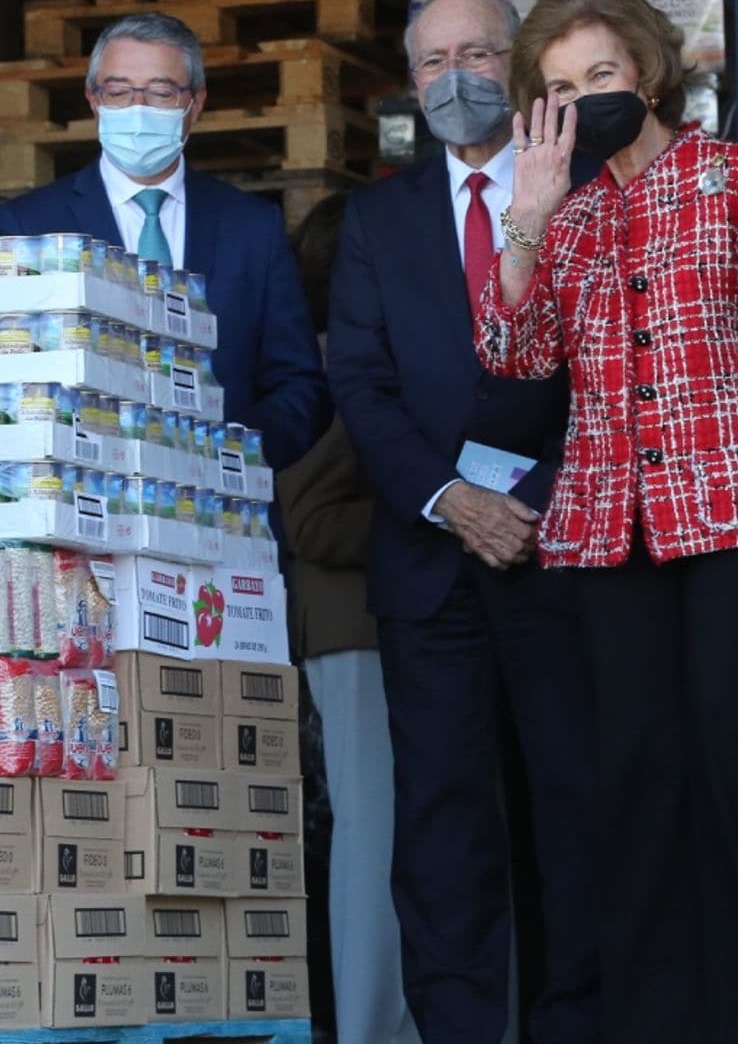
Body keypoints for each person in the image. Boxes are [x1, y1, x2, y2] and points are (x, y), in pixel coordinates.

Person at [476, 0, 738, 1042]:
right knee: (639, 789)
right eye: (560, 86)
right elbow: (513, 357)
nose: (586, 95)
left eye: (600, 73)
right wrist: (528, 217)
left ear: (645, 72)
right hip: (613, 530)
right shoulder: (564, 214)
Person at [325, 0, 598, 1044]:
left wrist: (521, 504)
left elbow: (609, 377)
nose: (454, 79)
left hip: (560, 554)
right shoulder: (376, 219)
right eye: (433, 61)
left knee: (573, 815)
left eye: (478, 54)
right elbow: (360, 383)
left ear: (521, 67)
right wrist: (452, 500)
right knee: (441, 831)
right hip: (430, 570)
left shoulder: (581, 197)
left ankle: (577, 1024)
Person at [0, 12, 329, 471]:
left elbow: (300, 386)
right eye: (118, 91)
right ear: (94, 101)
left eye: (160, 92)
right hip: (82, 510)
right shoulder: (27, 225)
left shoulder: (252, 227)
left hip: (221, 515)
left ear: (194, 104)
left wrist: (228, 459)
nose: (138, 109)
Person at [277, 193, 419, 1044]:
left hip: (382, 629)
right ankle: (371, 1026)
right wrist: (430, 513)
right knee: (374, 839)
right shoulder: (341, 368)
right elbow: (310, 517)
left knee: (390, 833)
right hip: (351, 631)